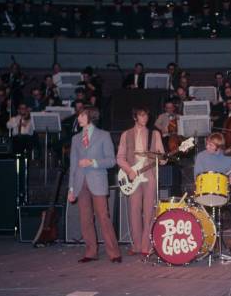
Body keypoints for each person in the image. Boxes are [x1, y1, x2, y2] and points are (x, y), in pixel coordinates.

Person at [67, 106, 121, 263]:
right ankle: (91, 252)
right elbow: (73, 165)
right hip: (80, 182)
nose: (79, 118)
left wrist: (93, 162)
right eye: (79, 115)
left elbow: (111, 161)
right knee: (85, 219)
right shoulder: (75, 139)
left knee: (103, 217)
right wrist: (71, 189)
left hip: (97, 181)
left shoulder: (104, 136)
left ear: (91, 116)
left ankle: (114, 253)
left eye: (82, 115)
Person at [117, 108, 165, 256]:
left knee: (149, 210)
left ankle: (146, 246)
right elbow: (119, 157)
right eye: (141, 116)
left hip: (149, 174)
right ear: (135, 117)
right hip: (132, 175)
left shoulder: (155, 134)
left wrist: (163, 158)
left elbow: (162, 158)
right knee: (134, 211)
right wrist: (129, 171)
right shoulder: (126, 134)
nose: (144, 118)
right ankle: (136, 245)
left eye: (146, 115)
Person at [194, 133, 231, 254]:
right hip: (206, 194)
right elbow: (197, 177)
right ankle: (205, 245)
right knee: (201, 214)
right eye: (207, 143)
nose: (207, 146)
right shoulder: (201, 156)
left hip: (224, 194)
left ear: (219, 146)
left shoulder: (229, 157)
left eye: (210, 145)